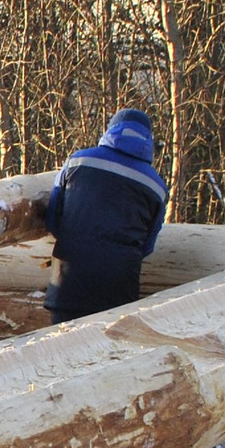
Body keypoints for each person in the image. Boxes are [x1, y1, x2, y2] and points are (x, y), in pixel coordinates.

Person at [43, 108, 169, 322]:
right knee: (109, 351)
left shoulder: (78, 161)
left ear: (111, 130)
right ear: (147, 139)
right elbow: (147, 246)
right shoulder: (156, 186)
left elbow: (53, 217)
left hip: (69, 277)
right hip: (119, 285)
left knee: (59, 346)